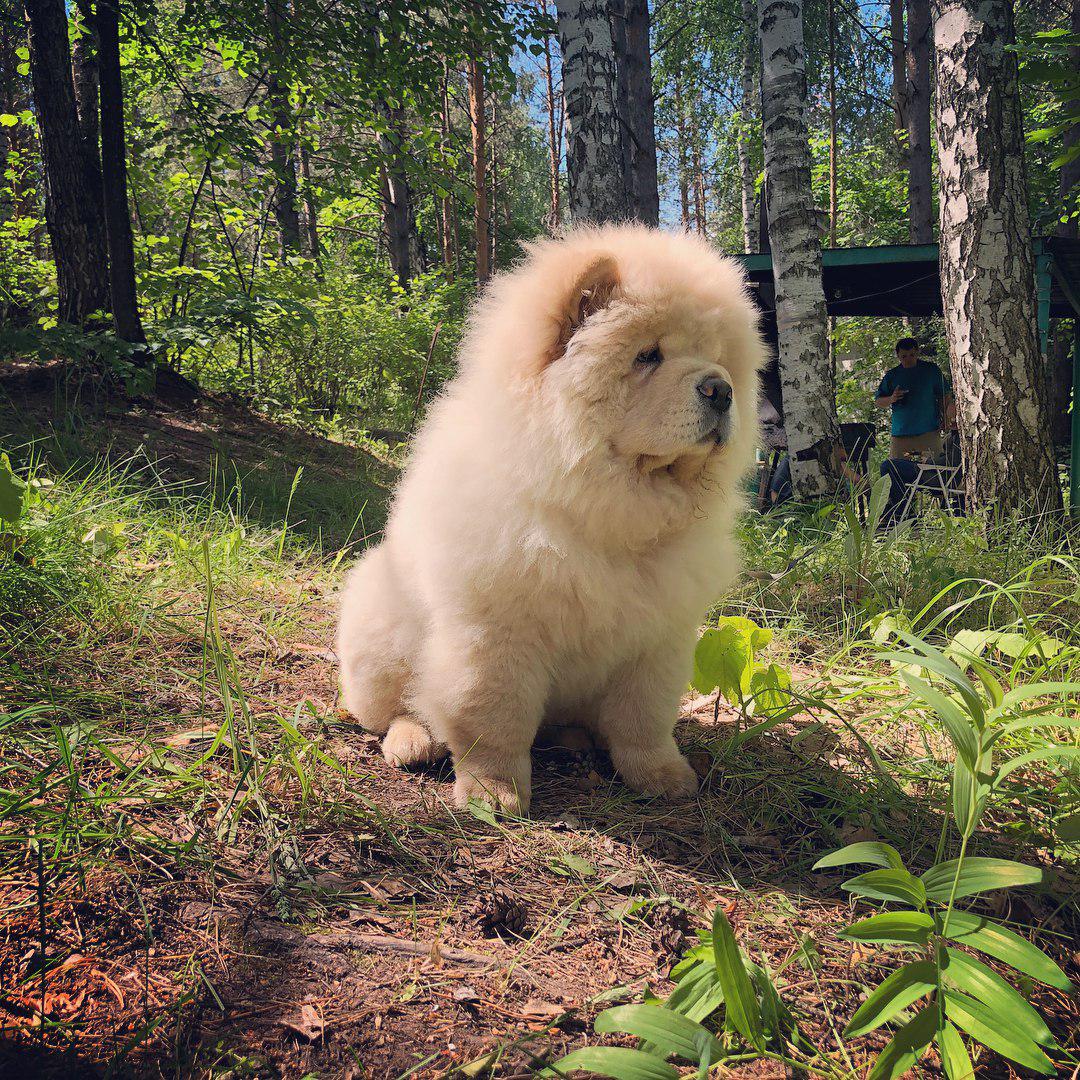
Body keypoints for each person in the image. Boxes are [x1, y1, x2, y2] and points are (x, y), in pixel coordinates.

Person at [874, 338, 954, 459]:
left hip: (928, 431)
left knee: (934, 469)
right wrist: (892, 398)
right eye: (904, 356)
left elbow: (944, 395)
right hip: (901, 434)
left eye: (912, 355)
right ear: (898, 356)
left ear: (917, 352)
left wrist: (947, 418)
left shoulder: (930, 370)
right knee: (899, 469)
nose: (908, 359)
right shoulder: (892, 376)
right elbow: (879, 401)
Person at [879, 429, 964, 528]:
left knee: (888, 466)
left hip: (935, 476)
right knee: (894, 466)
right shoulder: (954, 434)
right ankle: (902, 511)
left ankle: (902, 512)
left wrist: (929, 461)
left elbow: (953, 461)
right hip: (932, 472)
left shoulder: (961, 436)